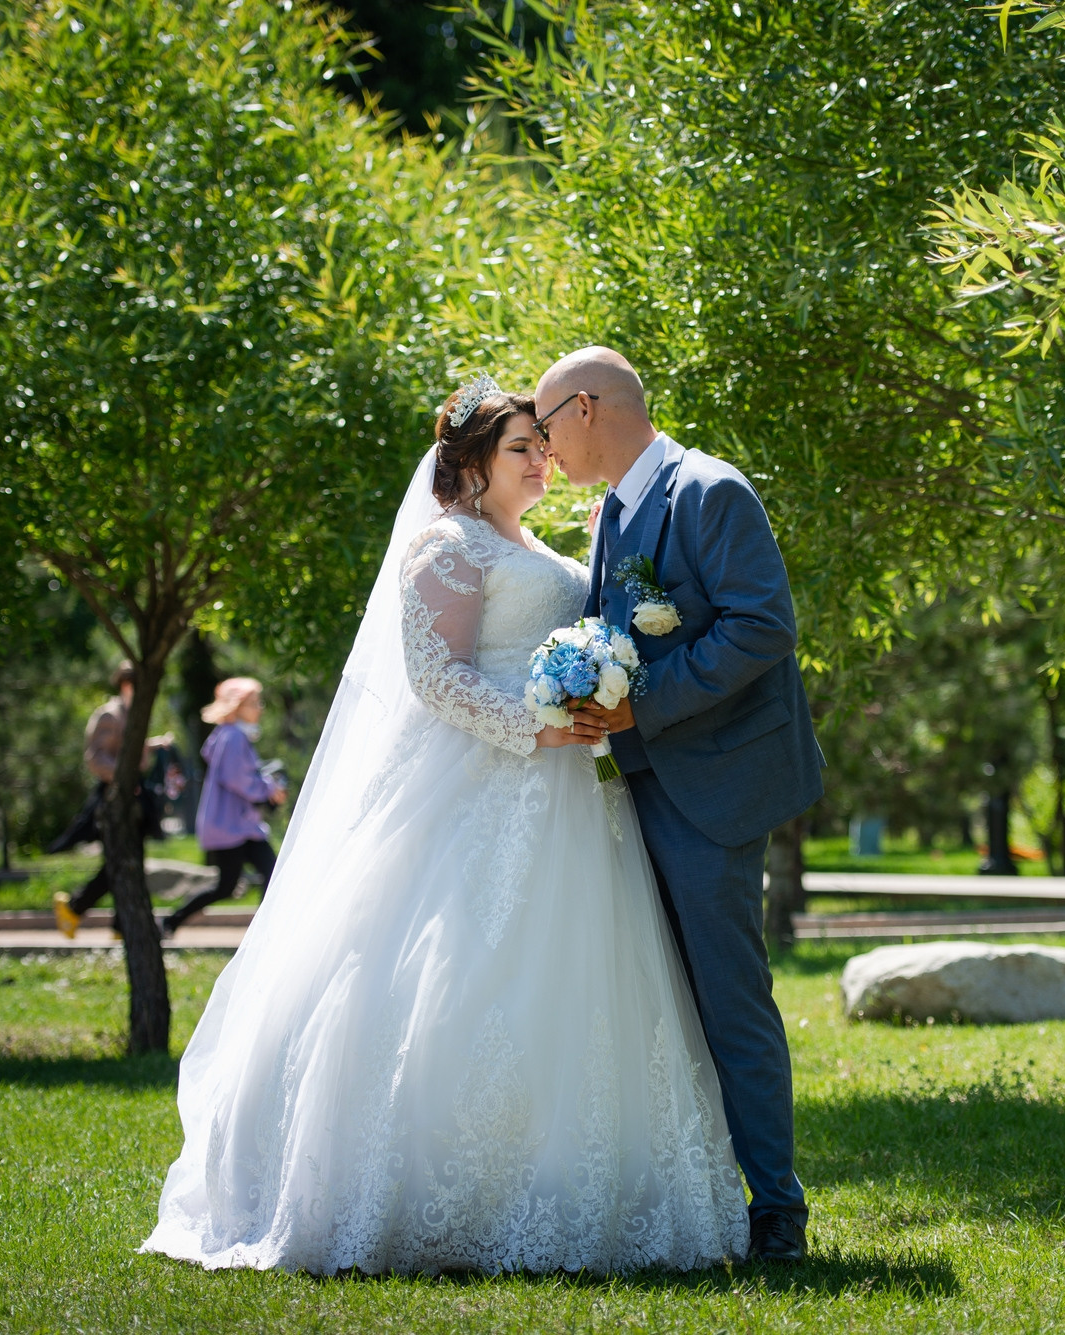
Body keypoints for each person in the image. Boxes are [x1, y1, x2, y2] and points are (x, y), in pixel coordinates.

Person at [142, 376, 749, 1276]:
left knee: (577, 979)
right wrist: (535, 724)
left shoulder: (533, 542)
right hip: (477, 786)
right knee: (455, 969)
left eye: (542, 444)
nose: (542, 457)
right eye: (520, 447)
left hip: (569, 796)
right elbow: (438, 678)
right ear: (468, 466)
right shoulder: (446, 546)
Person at [538, 346, 824, 1264]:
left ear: (587, 408)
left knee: (730, 1001)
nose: (544, 446)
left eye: (547, 426)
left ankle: (777, 1208)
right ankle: (689, 1198)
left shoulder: (709, 489)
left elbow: (763, 624)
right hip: (640, 788)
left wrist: (642, 702)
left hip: (714, 793)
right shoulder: (615, 510)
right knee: (658, 1002)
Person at [51, 662, 172, 939]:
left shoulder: (131, 713)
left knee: (128, 860)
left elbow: (129, 746)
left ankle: (117, 923)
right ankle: (77, 908)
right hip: (114, 797)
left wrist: (155, 744)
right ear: (128, 684)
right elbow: (96, 757)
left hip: (133, 794)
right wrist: (124, 774)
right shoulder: (109, 714)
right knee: (119, 861)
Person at [161, 676, 287, 937]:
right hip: (233, 826)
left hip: (236, 825)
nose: (260, 708)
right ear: (236, 707)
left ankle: (172, 922)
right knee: (257, 876)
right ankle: (266, 936)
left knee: (246, 879)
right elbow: (237, 778)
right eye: (254, 702)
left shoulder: (228, 735)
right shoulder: (234, 738)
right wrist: (269, 789)